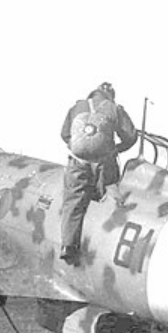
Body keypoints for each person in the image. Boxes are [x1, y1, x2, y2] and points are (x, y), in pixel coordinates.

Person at [59, 82, 137, 266]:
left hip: (78, 162)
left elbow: (64, 134)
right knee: (111, 197)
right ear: (111, 96)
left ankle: (68, 247)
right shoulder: (114, 109)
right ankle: (107, 248)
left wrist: (78, 148)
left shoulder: (77, 107)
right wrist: (116, 148)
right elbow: (131, 137)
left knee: (73, 202)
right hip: (105, 164)